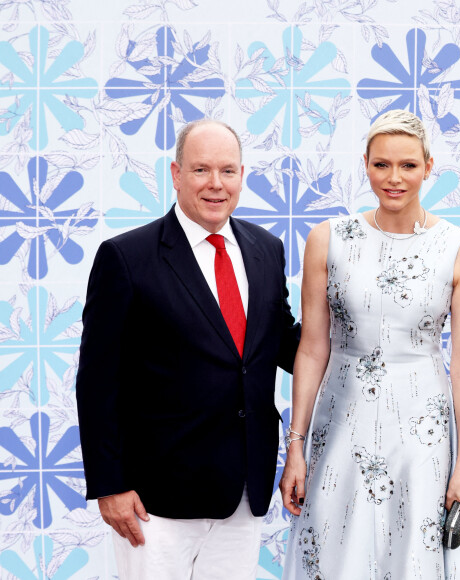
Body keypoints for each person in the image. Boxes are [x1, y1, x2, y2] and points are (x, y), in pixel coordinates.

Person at [76, 119, 300, 580]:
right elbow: (98, 382)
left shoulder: (267, 248)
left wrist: (365, 346)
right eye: (201, 170)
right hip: (154, 499)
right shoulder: (126, 257)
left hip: (244, 489)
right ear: (176, 174)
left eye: (228, 171)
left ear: (242, 175)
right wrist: (110, 484)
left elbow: (279, 341)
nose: (216, 184)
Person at [279, 109, 460, 579]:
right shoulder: (327, 239)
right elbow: (313, 347)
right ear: (366, 164)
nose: (394, 178)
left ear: (429, 166)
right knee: (333, 552)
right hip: (340, 422)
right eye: (381, 165)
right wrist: (296, 444)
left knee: (414, 550)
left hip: (422, 430)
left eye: (408, 165)